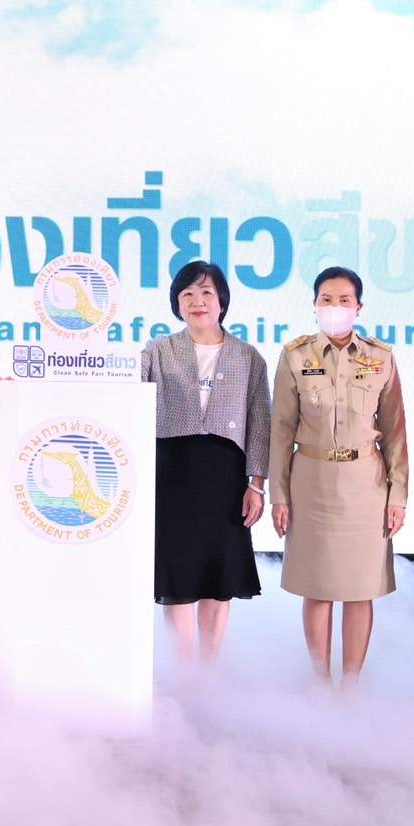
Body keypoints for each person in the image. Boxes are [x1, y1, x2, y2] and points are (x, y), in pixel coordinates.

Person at [270, 266, 408, 690]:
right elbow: (281, 431)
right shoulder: (296, 355)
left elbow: (396, 432)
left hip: (367, 485)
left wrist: (398, 496)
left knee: (360, 589)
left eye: (344, 300)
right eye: (326, 299)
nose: (335, 307)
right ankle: (321, 682)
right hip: (311, 483)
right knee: (317, 587)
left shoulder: (381, 357)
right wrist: (278, 495)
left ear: (359, 307)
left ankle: (350, 685)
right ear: (314, 305)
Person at [139, 260, 270, 660]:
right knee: (177, 577)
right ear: (177, 304)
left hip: (225, 480)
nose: (197, 301)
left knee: (218, 576)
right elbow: (128, 391)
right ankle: (184, 672)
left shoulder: (249, 356)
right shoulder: (157, 350)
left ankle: (209, 671)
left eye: (206, 292)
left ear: (222, 302)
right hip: (171, 476)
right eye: (188, 294)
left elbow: (260, 423)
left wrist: (257, 484)